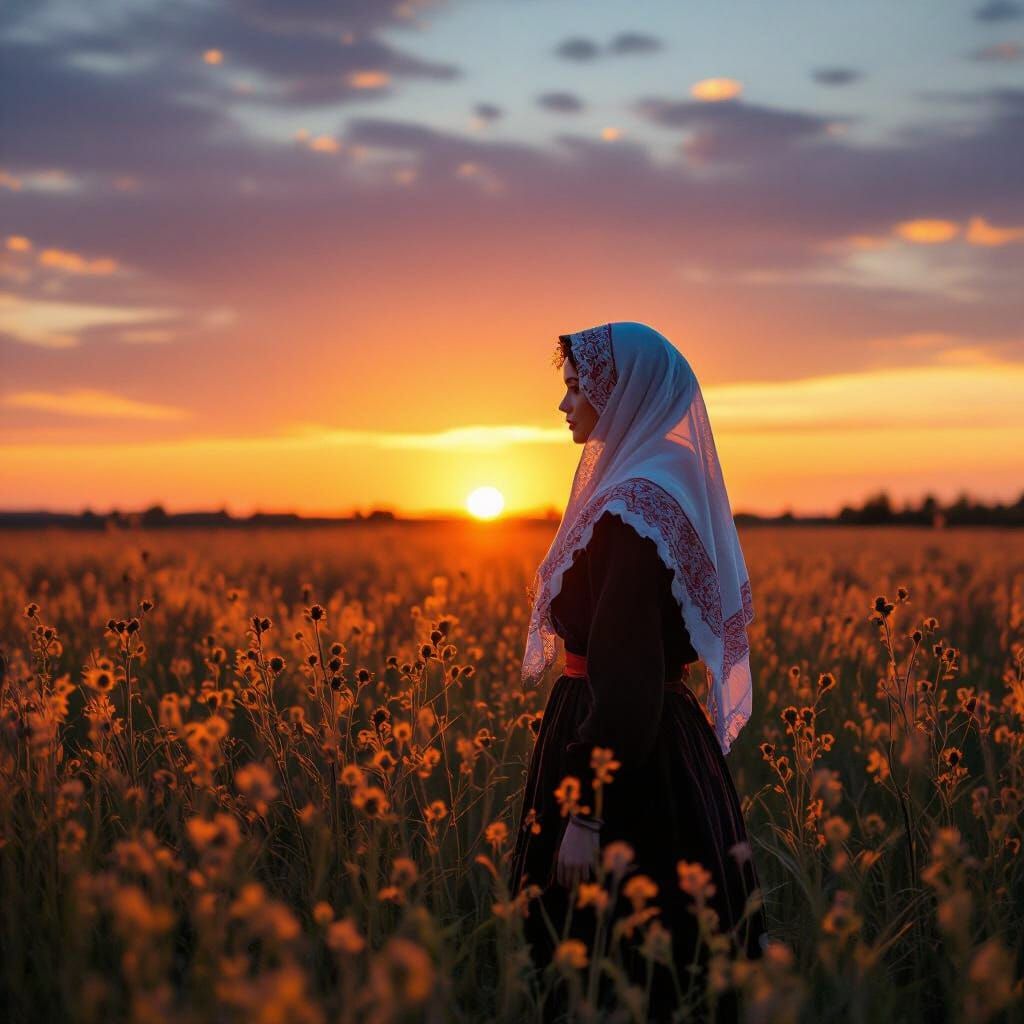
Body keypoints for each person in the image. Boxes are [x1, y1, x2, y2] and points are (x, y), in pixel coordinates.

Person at [508, 322, 767, 1022]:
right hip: (660, 739)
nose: (565, 405)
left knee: (605, 953)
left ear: (624, 395)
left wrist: (587, 812)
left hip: (622, 751)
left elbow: (623, 673)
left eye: (576, 388)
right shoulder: (656, 485)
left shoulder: (631, 509)